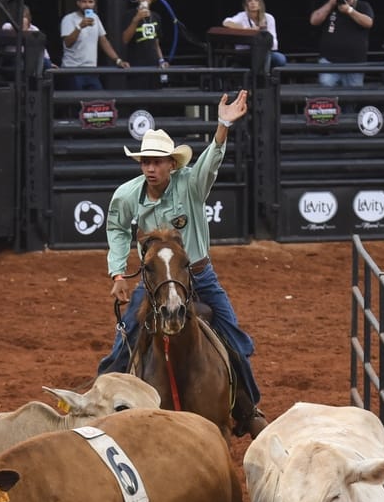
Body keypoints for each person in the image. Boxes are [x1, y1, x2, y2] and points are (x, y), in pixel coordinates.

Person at [97, 92, 265, 438]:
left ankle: (248, 409)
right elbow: (115, 227)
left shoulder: (191, 184)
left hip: (199, 275)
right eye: (145, 162)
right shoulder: (127, 195)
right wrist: (117, 272)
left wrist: (223, 126)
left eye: (157, 162)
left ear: (172, 164)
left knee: (234, 339)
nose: (150, 168)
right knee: (125, 339)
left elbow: (210, 163)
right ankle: (104, 407)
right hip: (155, 279)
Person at [59, 0, 128, 90]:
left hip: (91, 70)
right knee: (76, 103)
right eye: (84, 2)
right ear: (78, 3)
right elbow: (67, 43)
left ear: (94, 3)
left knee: (96, 101)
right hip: (73, 70)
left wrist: (117, 60)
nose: (87, 5)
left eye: (90, 2)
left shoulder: (95, 18)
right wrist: (79, 26)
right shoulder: (68, 19)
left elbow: (103, 40)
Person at [310, 0, 373, 88]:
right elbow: (314, 21)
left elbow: (368, 23)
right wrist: (330, 4)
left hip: (355, 62)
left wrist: (349, 10)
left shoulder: (363, 6)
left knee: (354, 94)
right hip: (329, 61)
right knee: (326, 90)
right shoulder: (329, 6)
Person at [221, 0, 288, 69]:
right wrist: (247, 30)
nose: (253, 3)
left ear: (260, 4)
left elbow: (275, 44)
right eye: (249, 0)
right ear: (246, 5)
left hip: (264, 53)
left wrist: (264, 36)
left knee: (280, 59)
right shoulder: (242, 16)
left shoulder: (269, 18)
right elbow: (226, 22)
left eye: (256, 0)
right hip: (246, 54)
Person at [121, 0, 167, 90]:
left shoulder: (156, 16)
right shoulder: (129, 15)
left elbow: (156, 42)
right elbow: (125, 40)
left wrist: (161, 60)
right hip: (136, 66)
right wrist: (136, 20)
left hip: (154, 66)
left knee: (155, 100)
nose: (144, 0)